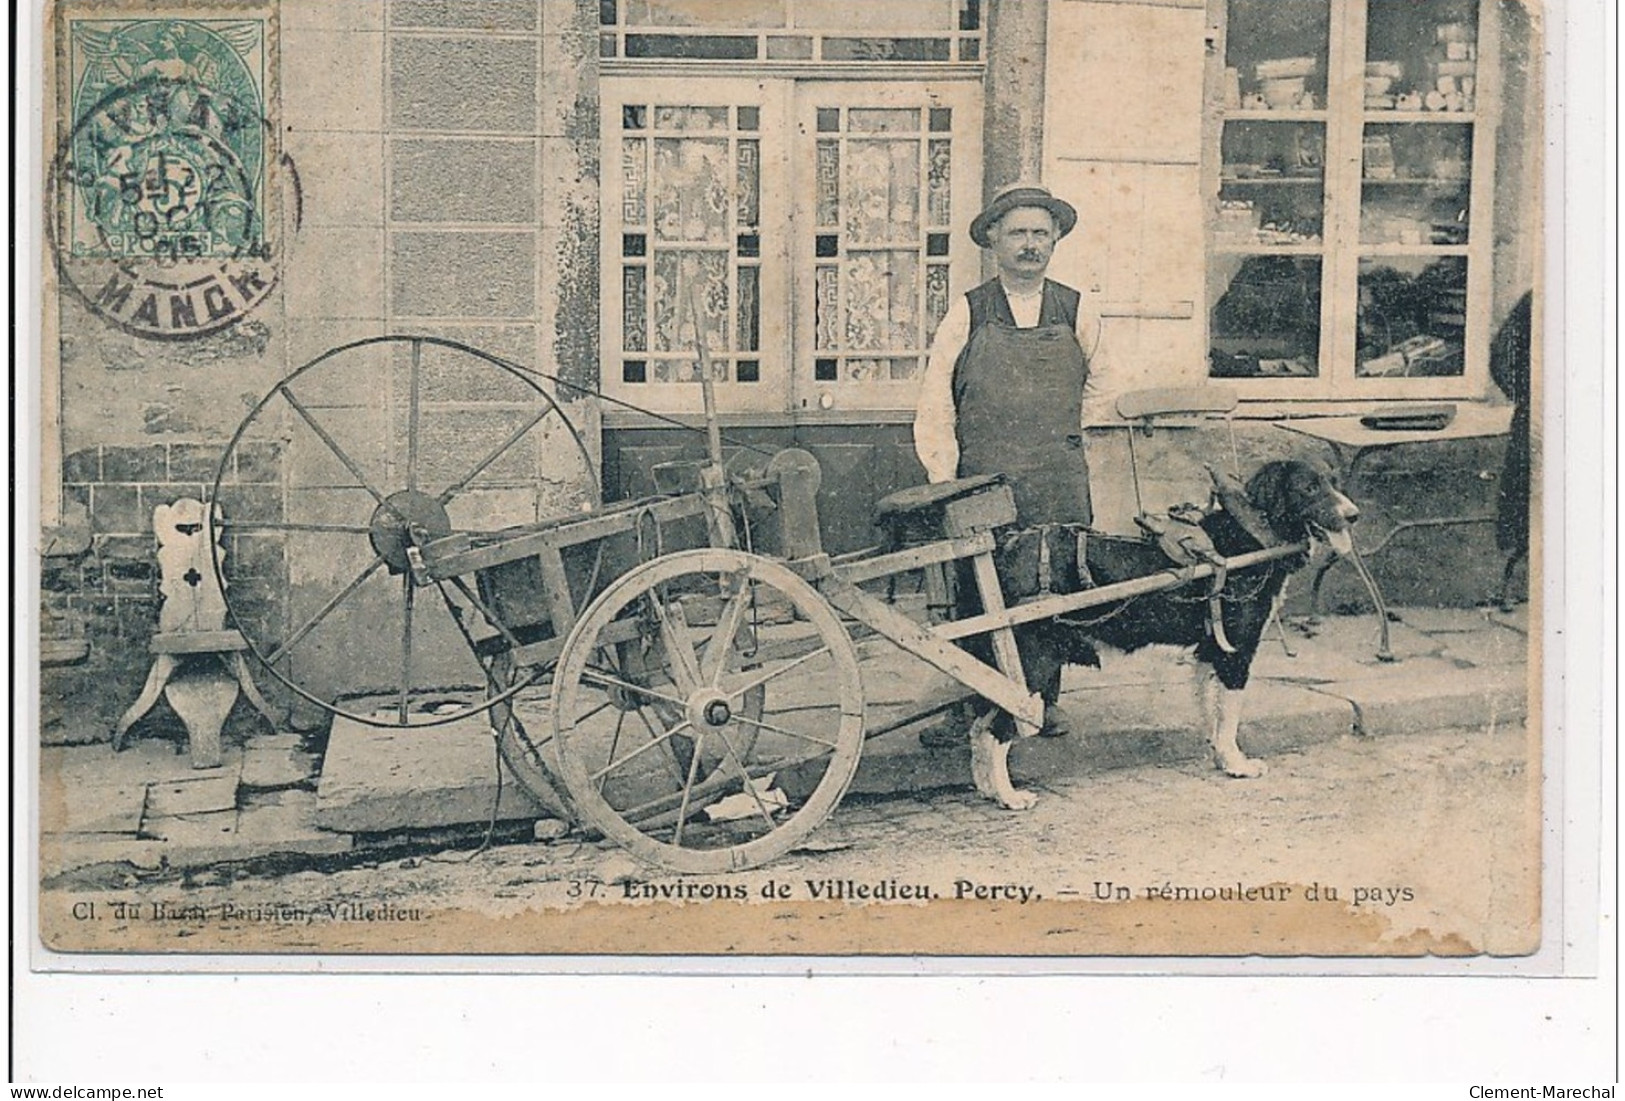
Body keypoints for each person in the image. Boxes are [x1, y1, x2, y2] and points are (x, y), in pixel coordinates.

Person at [913, 182, 1109, 741]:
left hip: (1056, 478)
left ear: (1055, 242)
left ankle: (1043, 701)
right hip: (985, 482)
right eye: (1018, 232)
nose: (1030, 245)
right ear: (994, 239)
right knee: (979, 593)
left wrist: (1068, 437)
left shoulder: (1078, 308)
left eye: (1040, 234)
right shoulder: (967, 311)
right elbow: (935, 399)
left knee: (1056, 589)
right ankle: (971, 704)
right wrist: (944, 479)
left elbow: (1104, 386)